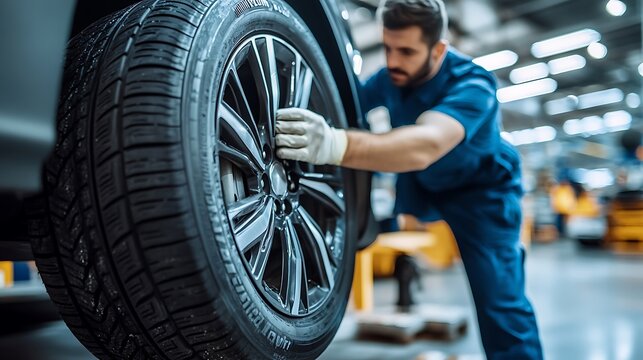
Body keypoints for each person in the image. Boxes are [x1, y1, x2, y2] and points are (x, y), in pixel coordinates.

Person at [274, 0, 543, 358]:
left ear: (439, 49)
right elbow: (342, 106)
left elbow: (426, 145)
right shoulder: (390, 79)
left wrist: (335, 143)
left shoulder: (474, 85)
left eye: (406, 51)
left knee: (500, 300)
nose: (393, 61)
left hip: (483, 194)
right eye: (387, 47)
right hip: (425, 185)